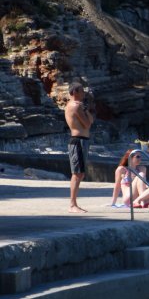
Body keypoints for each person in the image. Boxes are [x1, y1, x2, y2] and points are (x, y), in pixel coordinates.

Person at [64, 80, 95, 213]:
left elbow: (91, 121)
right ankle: (72, 205)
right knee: (77, 174)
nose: (84, 93)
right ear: (75, 92)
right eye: (82, 91)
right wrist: (84, 110)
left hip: (83, 140)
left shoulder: (79, 106)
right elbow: (87, 124)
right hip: (78, 141)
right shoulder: (74, 106)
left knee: (80, 174)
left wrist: (86, 109)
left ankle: (74, 203)